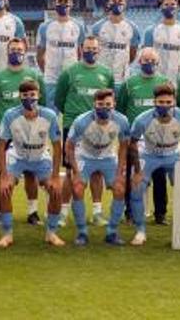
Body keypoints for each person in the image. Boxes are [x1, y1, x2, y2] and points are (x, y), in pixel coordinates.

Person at [0, 38, 47, 225]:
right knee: (2, 173)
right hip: (6, 135)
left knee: (31, 173)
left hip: (31, 133)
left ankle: (32, 211)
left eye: (19, 49)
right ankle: (1, 211)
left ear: (25, 51)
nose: (16, 52)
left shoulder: (34, 76)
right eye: (12, 49)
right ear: (7, 51)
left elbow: (42, 104)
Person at [0, 80, 63, 248]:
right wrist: (3, 176)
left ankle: (51, 233)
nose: (29, 98)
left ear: (39, 95)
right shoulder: (10, 115)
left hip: (40, 158)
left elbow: (57, 147)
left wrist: (55, 176)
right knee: (4, 189)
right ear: (20, 97)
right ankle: (7, 234)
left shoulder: (50, 116)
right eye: (25, 95)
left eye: (32, 95)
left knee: (56, 190)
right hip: (17, 157)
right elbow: (0, 145)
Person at [128, 84, 180, 246]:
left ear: (174, 101)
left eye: (168, 102)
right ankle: (140, 231)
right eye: (161, 102)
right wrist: (138, 170)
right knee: (137, 188)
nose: (164, 105)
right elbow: (132, 144)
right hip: (148, 153)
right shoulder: (142, 119)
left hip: (173, 154)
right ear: (154, 102)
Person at [54, 36, 114, 226]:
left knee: (97, 169)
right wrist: (75, 118)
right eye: (87, 48)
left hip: (99, 127)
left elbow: (110, 99)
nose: (91, 52)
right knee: (72, 170)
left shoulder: (106, 73)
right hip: (74, 126)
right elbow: (59, 100)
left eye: (94, 49)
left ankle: (96, 213)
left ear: (99, 50)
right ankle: (63, 212)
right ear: (81, 49)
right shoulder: (69, 73)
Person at [65, 89, 131, 246]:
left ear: (114, 104)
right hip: (84, 157)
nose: (104, 108)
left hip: (108, 157)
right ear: (94, 104)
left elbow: (123, 146)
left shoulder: (122, 120)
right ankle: (82, 233)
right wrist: (75, 170)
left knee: (120, 188)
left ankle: (112, 233)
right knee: (78, 187)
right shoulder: (82, 121)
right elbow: (69, 146)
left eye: (108, 104)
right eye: (100, 104)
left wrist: (121, 170)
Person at [115, 48, 172, 223]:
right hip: (135, 138)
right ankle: (130, 212)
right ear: (139, 62)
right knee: (133, 176)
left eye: (153, 60)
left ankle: (160, 214)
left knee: (159, 176)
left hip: (158, 139)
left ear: (158, 62)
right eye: (146, 60)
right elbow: (121, 109)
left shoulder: (164, 82)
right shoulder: (129, 83)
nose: (149, 64)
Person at [142, 0, 180, 85]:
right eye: (166, 4)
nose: (170, 7)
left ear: (178, 7)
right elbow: (146, 56)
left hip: (177, 80)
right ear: (161, 7)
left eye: (173, 4)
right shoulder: (150, 31)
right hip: (156, 80)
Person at [91, 0, 140, 86]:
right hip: (101, 79)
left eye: (120, 1)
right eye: (114, 1)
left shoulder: (133, 28)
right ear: (108, 4)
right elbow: (93, 51)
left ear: (125, 4)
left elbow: (132, 54)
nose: (117, 3)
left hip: (122, 80)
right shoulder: (97, 27)